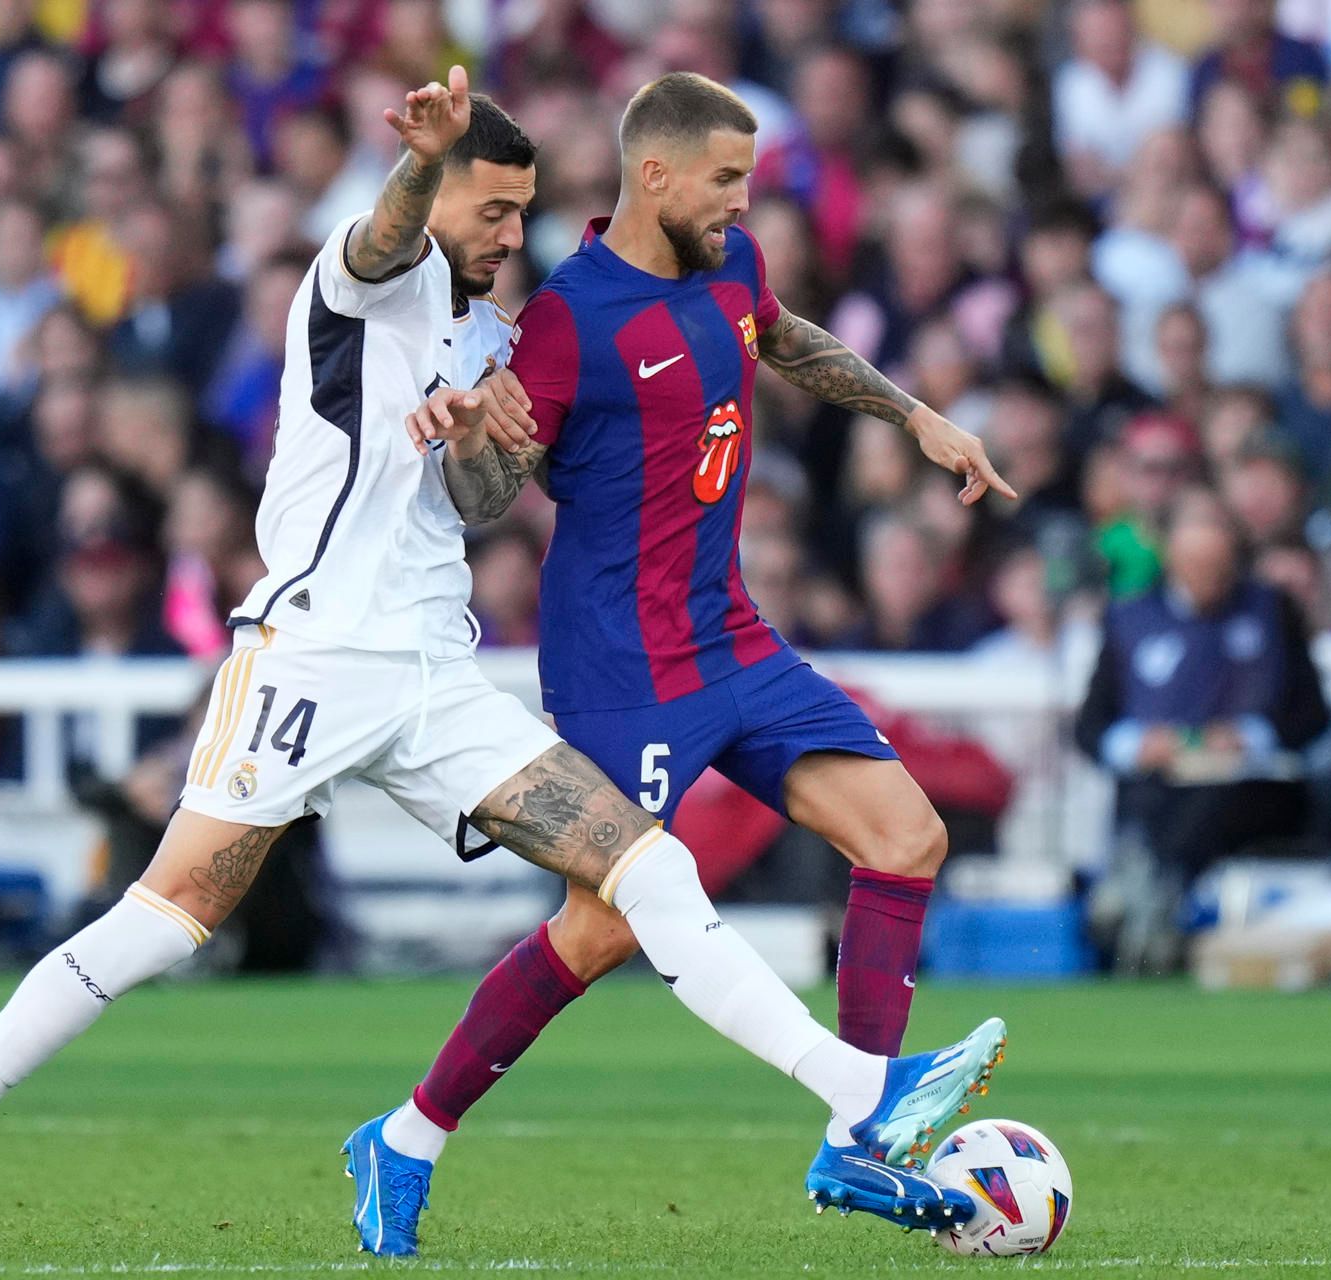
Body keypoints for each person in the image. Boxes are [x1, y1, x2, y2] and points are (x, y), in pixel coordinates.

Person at [0, 68, 1005, 1261]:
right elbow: (388, 235)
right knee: (165, 921)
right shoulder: (351, 289)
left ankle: (858, 1097)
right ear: (433, 193)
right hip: (312, 656)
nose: (511, 233)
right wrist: (414, 162)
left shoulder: (496, 331)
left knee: (648, 874)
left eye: (521, 209)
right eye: (491, 210)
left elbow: (488, 489)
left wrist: (476, 436)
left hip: (439, 677)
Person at [375, 71, 1016, 1254]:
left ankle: (860, 1131)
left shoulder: (732, 262)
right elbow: (486, 494)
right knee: (605, 920)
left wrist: (914, 415)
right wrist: (471, 439)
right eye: (724, 179)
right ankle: (411, 1133)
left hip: (733, 634)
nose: (741, 202)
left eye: (748, 181)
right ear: (653, 173)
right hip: (623, 662)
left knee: (907, 834)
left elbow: (783, 337)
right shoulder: (570, 318)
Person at [1074, 496, 1331, 972]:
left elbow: (1313, 715)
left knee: (1209, 799)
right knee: (1157, 793)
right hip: (1157, 784)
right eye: (1195, 565)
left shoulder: (1273, 611)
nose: (1207, 579)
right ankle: (1146, 895)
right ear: (1170, 555)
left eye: (1217, 565)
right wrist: (1138, 745)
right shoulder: (1128, 618)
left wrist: (1249, 736)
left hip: (1255, 789)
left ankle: (1150, 891)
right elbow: (1090, 729)